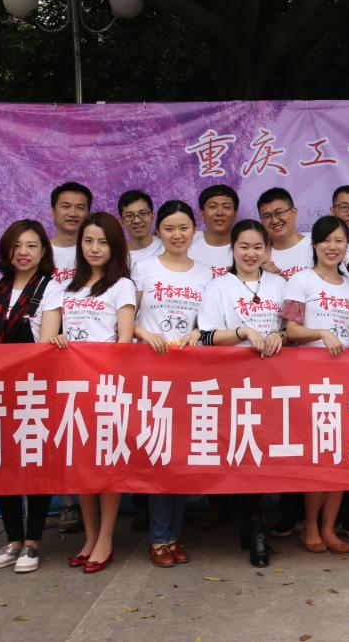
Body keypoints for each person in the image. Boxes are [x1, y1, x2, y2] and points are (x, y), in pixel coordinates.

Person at [42, 212, 135, 573]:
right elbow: (47, 338)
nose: (95, 248)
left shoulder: (122, 286)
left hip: (106, 387)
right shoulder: (62, 287)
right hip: (70, 387)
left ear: (115, 247)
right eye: (88, 241)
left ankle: (106, 538)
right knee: (81, 464)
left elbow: (124, 341)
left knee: (107, 464)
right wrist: (57, 341)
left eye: (103, 242)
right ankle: (90, 536)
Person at [198, 219, 288, 567]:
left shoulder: (282, 284)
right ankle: (254, 529)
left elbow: (295, 326)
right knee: (244, 451)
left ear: (268, 249)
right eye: (244, 247)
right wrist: (242, 332)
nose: (251, 254)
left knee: (269, 451)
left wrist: (281, 335)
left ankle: (256, 525)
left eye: (258, 247)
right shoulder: (217, 287)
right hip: (234, 383)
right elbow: (205, 336)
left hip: (277, 382)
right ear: (232, 248)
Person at [0, 220, 63, 574]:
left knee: (36, 463)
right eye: (17, 245)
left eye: (31, 246)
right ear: (6, 250)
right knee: (4, 463)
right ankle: (12, 539)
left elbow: (45, 344)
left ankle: (33, 541)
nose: (23, 252)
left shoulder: (51, 288)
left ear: (43, 252)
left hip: (34, 387)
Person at [130, 200, 211, 567]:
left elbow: (209, 322)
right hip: (152, 374)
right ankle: (159, 538)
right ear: (158, 231)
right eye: (169, 228)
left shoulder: (206, 273)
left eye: (183, 228)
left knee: (181, 457)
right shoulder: (143, 268)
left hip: (190, 377)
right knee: (160, 456)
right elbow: (126, 317)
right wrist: (145, 334)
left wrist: (198, 333)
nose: (177, 235)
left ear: (194, 230)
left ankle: (174, 535)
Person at [283, 216, 349, 554]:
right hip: (311, 380)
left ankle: (329, 527)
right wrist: (322, 333)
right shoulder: (300, 280)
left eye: (339, 240)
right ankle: (311, 526)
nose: (332, 247)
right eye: (326, 240)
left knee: (339, 456)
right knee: (319, 455)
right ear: (314, 245)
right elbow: (291, 330)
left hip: (347, 380)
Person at [47, 181, 92, 534]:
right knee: (59, 428)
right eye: (66, 206)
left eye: (80, 207)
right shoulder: (41, 251)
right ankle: (67, 504)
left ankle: (93, 499)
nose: (73, 213)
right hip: (51, 349)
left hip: (89, 355)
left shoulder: (94, 248)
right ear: (53, 211)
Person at [258, 187, 312, 280]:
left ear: (294, 212)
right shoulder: (258, 257)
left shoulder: (317, 244)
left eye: (279, 212)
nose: (274, 221)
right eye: (267, 216)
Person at [189, 183, 238, 278]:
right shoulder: (188, 250)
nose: (219, 213)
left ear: (235, 214)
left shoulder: (246, 249)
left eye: (226, 207)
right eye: (212, 207)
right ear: (202, 214)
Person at [118, 189, 163, 266]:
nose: (137, 221)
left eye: (143, 213)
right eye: (129, 216)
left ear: (152, 216)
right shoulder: (118, 258)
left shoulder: (166, 245)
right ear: (122, 222)